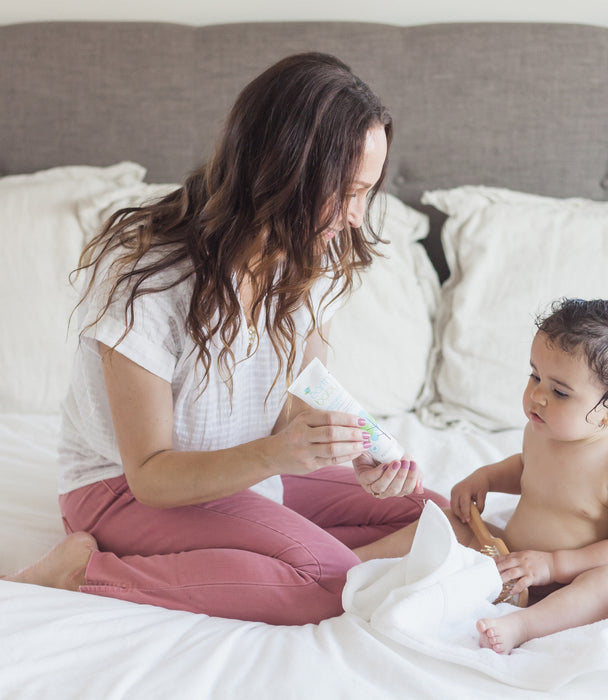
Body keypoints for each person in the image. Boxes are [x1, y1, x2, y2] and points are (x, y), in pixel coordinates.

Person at [2, 52, 447, 625]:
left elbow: (295, 411)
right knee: (327, 579)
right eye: (346, 191)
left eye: (368, 192)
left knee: (439, 515)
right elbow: (151, 475)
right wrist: (283, 465)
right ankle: (82, 572)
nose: (357, 217)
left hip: (248, 472)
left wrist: (347, 453)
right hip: (123, 490)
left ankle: (308, 570)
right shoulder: (149, 277)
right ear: (285, 166)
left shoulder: (314, 258)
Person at [354, 298, 608, 654]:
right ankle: (353, 561)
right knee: (447, 524)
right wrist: (485, 477)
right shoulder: (540, 431)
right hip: (505, 560)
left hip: (568, 583)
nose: (536, 396)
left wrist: (553, 565)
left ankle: (523, 625)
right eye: (535, 376)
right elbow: (525, 469)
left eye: (559, 392)